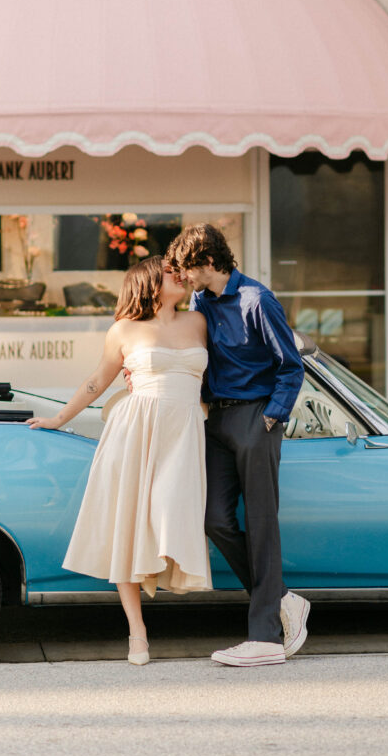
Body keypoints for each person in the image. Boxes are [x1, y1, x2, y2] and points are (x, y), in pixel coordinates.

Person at [27, 255, 211, 666]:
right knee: (128, 529)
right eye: (170, 272)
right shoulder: (123, 330)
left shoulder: (198, 321)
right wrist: (58, 418)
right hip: (134, 432)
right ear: (148, 283)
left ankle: (159, 588)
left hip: (183, 434)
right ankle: (138, 634)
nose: (179, 276)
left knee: (169, 511)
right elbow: (96, 381)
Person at [164, 224, 308, 667]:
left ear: (208, 262)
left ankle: (264, 637)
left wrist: (271, 417)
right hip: (218, 419)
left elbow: (291, 365)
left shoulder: (257, 300)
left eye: (187, 268)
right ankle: (282, 598)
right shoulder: (201, 300)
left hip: (255, 417)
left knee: (263, 524)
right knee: (215, 519)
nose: (182, 277)